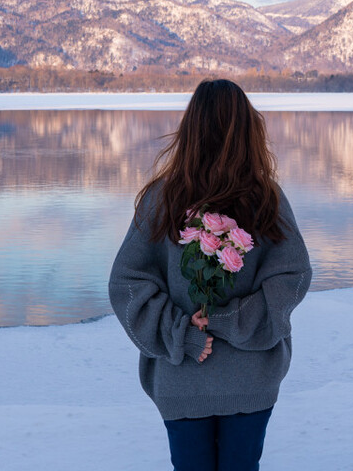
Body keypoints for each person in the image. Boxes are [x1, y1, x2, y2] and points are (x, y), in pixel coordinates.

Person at [109, 78, 313, 471]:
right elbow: (293, 278)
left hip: (190, 377)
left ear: (191, 129)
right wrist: (183, 333)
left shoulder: (169, 198)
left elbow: (127, 285)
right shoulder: (260, 197)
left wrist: (199, 328)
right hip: (238, 377)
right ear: (247, 130)